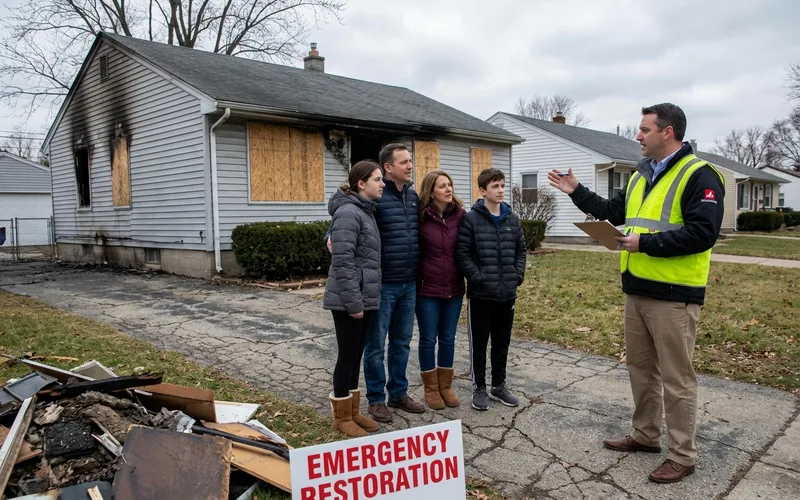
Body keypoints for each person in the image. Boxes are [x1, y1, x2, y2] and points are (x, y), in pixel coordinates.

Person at [547, 103, 725, 484]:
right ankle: (646, 436)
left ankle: (682, 455)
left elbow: (703, 233)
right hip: (637, 290)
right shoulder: (640, 176)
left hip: (675, 296)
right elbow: (615, 211)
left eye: (644, 129)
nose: (638, 136)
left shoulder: (699, 175)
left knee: (677, 379)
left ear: (669, 132)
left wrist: (643, 244)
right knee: (641, 371)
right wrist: (577, 191)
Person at [327, 143, 425, 422]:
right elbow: (339, 227)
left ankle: (398, 392)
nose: (410, 166)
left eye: (410, 161)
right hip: (382, 284)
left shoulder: (413, 196)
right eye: (404, 162)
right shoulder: (373, 199)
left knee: (402, 342)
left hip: (409, 283)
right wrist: (328, 240)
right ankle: (375, 399)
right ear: (388, 167)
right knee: (374, 346)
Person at [455, 168, 527, 412]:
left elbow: (521, 251)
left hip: (507, 294)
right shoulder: (471, 219)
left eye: (502, 186)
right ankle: (480, 388)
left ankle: (499, 385)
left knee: (502, 342)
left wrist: (517, 276)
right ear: (483, 190)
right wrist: (478, 278)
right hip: (481, 295)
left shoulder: (512, 219)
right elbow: (463, 254)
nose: (500, 191)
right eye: (495, 186)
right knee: (480, 344)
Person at [323, 160, 385, 437]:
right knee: (347, 356)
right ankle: (341, 418)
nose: (382, 184)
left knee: (356, 354)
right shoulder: (349, 212)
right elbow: (343, 261)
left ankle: (353, 411)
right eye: (377, 179)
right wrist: (354, 303)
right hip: (350, 299)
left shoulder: (366, 211)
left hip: (364, 297)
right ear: (361, 183)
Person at [415, 170, 467, 409]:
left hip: (454, 288)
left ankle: (446, 386)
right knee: (428, 339)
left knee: (448, 338)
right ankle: (431, 389)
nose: (448, 189)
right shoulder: (420, 216)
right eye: (442, 186)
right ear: (431, 191)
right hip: (427, 289)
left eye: (450, 184)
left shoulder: (461, 215)